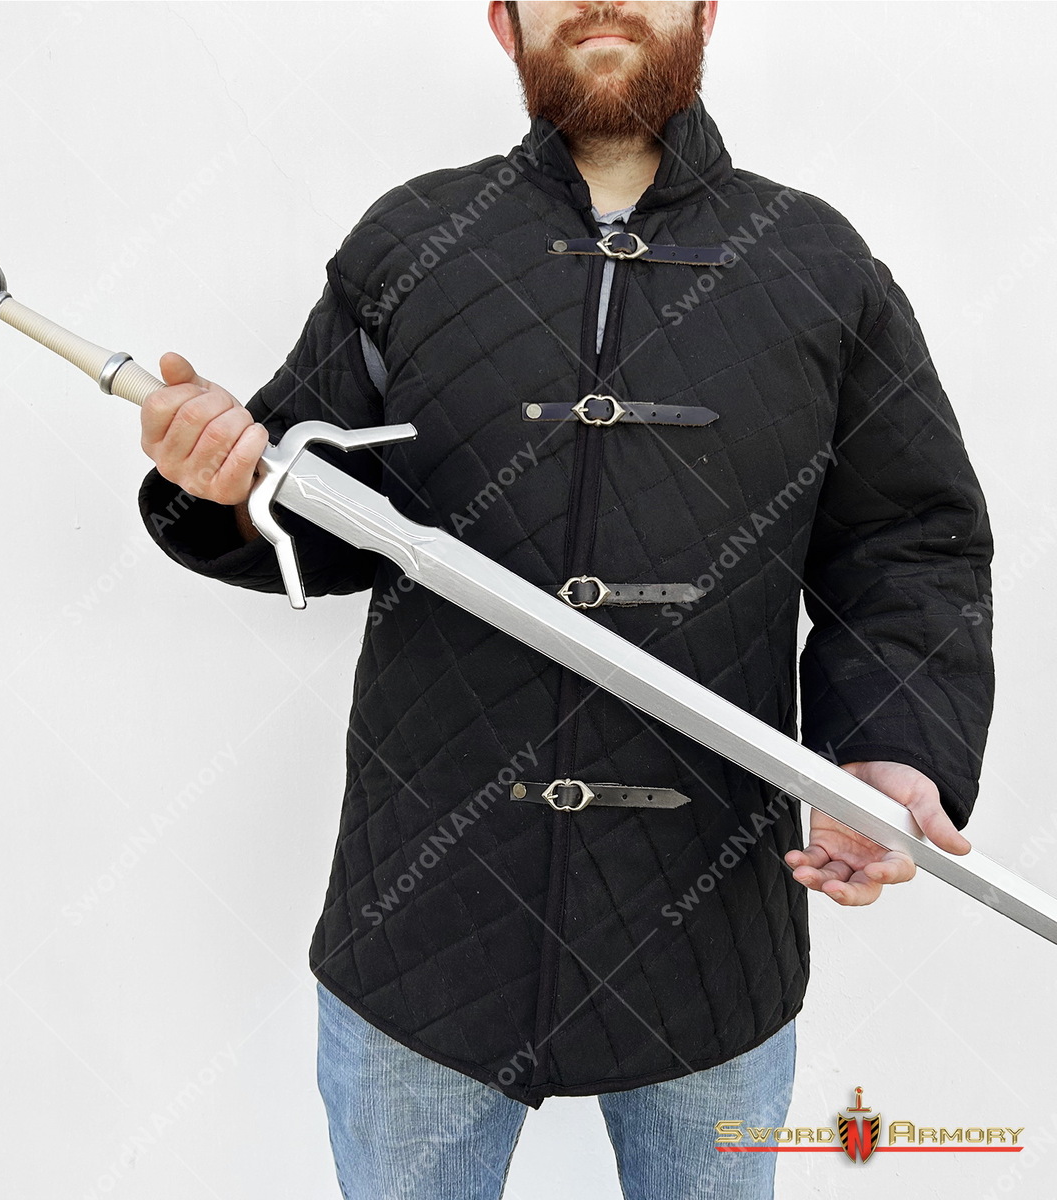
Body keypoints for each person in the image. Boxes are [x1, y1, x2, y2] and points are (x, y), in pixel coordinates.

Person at [136, 2, 995, 1196]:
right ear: (505, 20)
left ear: (704, 9)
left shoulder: (820, 265)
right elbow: (316, 504)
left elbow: (909, 542)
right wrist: (223, 483)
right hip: (425, 933)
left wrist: (889, 754)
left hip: (710, 941)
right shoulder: (412, 242)